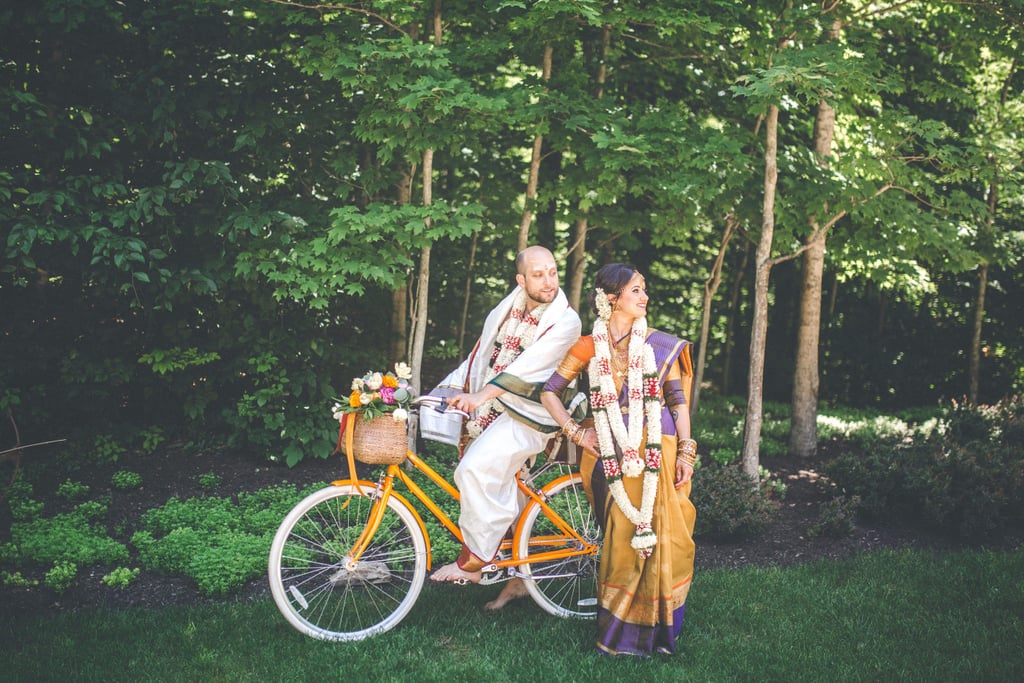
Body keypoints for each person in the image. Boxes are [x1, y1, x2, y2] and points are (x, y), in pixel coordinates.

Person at [540, 262, 697, 657]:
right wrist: (577, 432)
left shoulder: (661, 345)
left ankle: (662, 633)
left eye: (644, 290)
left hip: (658, 450)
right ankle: (621, 635)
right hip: (609, 450)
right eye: (637, 291)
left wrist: (686, 451)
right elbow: (549, 392)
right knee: (622, 541)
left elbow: (677, 402)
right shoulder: (590, 345)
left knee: (669, 540)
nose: (645, 298)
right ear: (612, 299)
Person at [429, 246, 582, 610]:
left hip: (532, 412)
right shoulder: (507, 308)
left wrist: (480, 397)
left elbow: (527, 367)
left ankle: (475, 561)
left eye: (553, 272)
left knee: (474, 469)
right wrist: (443, 391)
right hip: (496, 407)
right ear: (521, 280)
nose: (549, 281)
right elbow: (480, 356)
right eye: (538, 274)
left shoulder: (566, 320)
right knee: (512, 496)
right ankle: (518, 582)